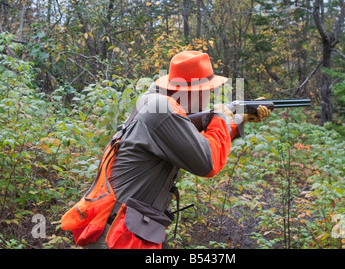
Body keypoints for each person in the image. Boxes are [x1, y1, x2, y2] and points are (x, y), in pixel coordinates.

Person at [61, 50, 271, 249]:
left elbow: (193, 143)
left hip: (121, 232)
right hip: (118, 237)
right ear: (195, 91)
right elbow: (208, 162)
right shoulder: (162, 112)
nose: (210, 97)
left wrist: (237, 119)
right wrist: (221, 118)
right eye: (209, 91)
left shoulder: (155, 104)